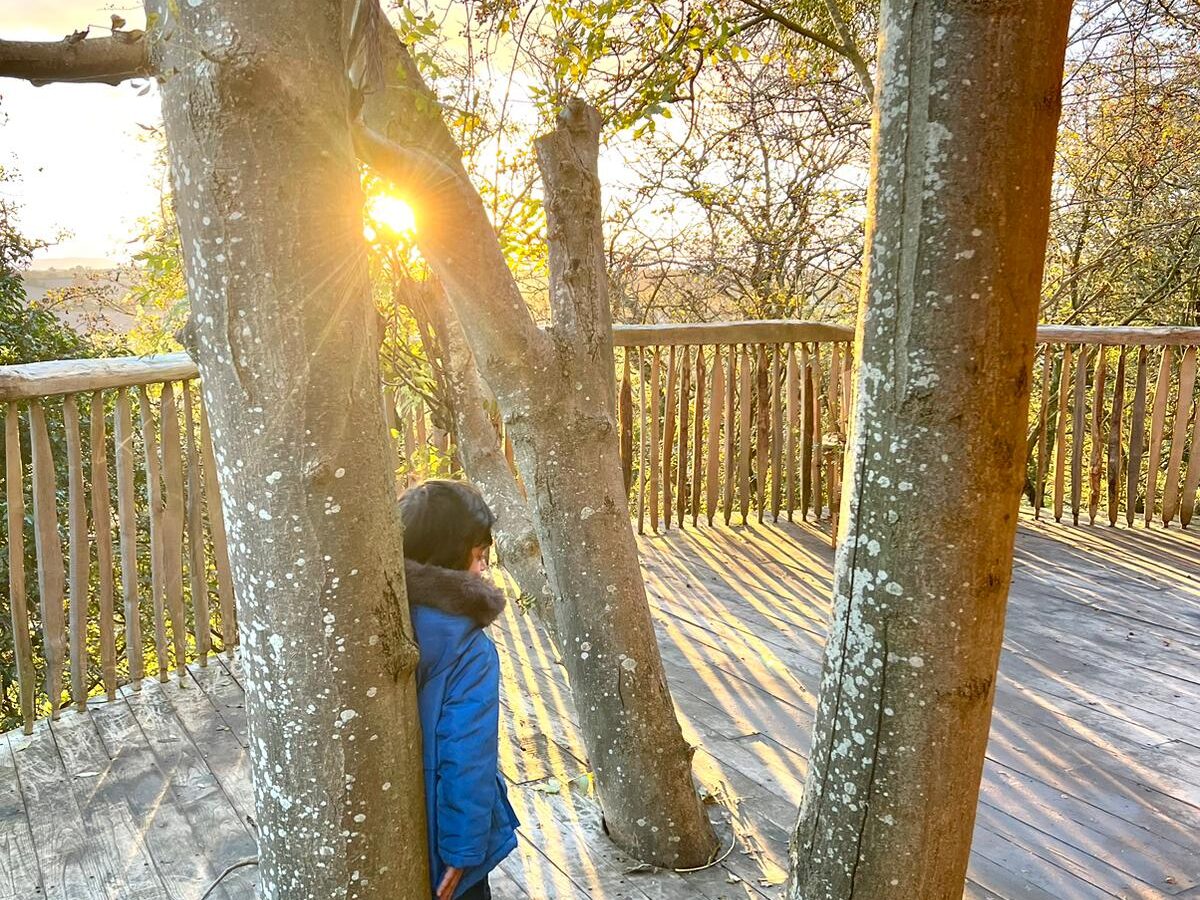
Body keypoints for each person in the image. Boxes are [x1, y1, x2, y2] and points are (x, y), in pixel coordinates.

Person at [399, 479, 519, 900]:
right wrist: (463, 852)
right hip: (447, 837)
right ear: (450, 554)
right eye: (479, 556)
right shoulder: (471, 648)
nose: (483, 569)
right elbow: (466, 754)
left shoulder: (383, 613)